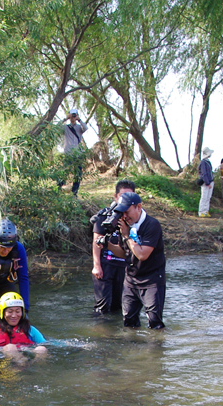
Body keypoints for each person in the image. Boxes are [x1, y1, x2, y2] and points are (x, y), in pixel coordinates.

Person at [108, 192, 166, 329]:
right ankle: (132, 349)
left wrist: (127, 236)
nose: (125, 216)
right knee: (129, 322)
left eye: (127, 212)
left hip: (152, 280)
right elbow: (124, 253)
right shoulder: (124, 226)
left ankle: (156, 349)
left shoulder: (152, 225)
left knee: (155, 323)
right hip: (131, 280)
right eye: (122, 213)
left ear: (138, 207)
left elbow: (142, 255)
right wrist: (108, 245)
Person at [92, 180, 135, 314]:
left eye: (130, 195)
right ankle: (101, 332)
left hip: (125, 267)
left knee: (120, 306)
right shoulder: (105, 215)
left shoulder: (135, 217)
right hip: (106, 265)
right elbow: (96, 241)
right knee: (103, 306)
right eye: (123, 196)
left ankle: (117, 334)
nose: (126, 199)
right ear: (116, 197)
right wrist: (96, 265)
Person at [0, 292, 48, 356]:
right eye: (10, 311)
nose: (14, 315)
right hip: (2, 363)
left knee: (41, 349)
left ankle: (39, 368)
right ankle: (18, 364)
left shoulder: (30, 330)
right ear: (2, 312)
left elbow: (47, 345)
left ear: (22, 312)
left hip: (27, 361)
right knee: (10, 348)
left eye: (17, 311)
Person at [58, 108, 88, 197]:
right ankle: (58, 189)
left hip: (78, 154)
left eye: (74, 115)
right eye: (72, 115)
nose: (73, 117)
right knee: (65, 172)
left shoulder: (79, 128)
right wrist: (65, 119)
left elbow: (86, 128)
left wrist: (79, 120)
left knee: (78, 174)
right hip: (68, 153)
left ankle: (74, 193)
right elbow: (55, 127)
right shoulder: (65, 128)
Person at [198, 147, 214, 217]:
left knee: (208, 197)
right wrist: (207, 183)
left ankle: (206, 210)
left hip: (210, 181)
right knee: (204, 197)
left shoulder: (207, 162)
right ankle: (201, 211)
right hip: (206, 182)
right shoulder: (203, 162)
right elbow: (204, 173)